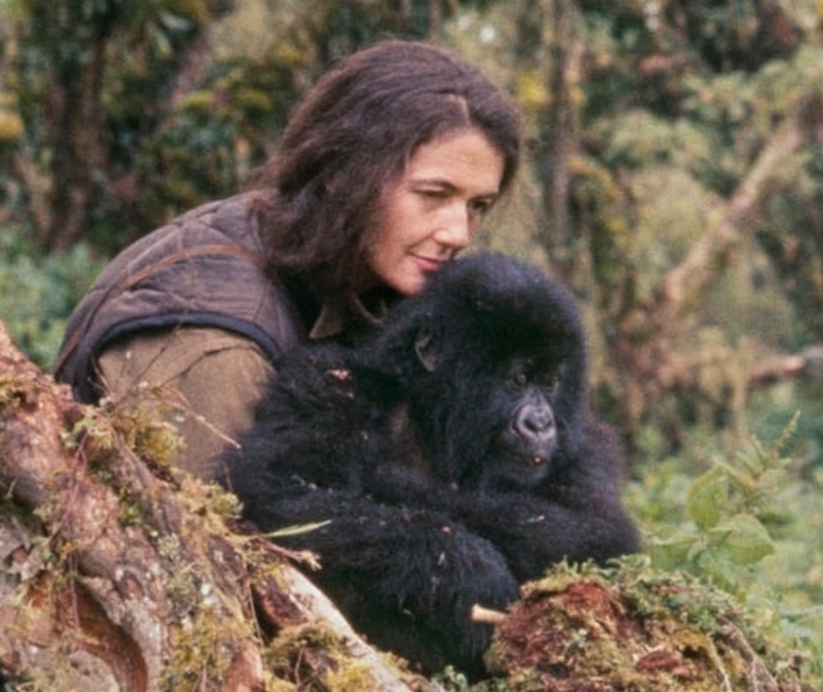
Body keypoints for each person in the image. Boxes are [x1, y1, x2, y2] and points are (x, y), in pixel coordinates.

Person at [53, 40, 522, 481]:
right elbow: (216, 557)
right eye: (433, 195)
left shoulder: (362, 274)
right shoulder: (212, 346)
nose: (458, 233)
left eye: (477, 206)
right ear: (341, 174)